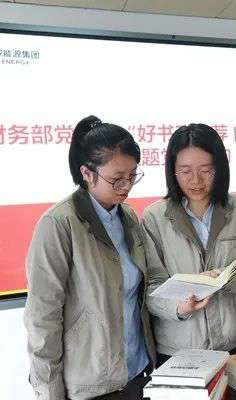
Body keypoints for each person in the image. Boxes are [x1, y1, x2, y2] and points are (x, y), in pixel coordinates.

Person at [24, 116, 155, 399]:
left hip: (136, 372)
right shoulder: (59, 224)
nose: (126, 186)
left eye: (133, 175)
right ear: (87, 172)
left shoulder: (128, 217)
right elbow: (42, 317)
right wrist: (49, 392)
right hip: (90, 384)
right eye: (116, 178)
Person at [142, 123, 236, 365]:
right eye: (185, 171)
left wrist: (223, 279)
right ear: (172, 170)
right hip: (180, 348)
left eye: (206, 170)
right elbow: (151, 286)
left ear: (219, 168)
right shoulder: (154, 218)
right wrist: (179, 307)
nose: (196, 180)